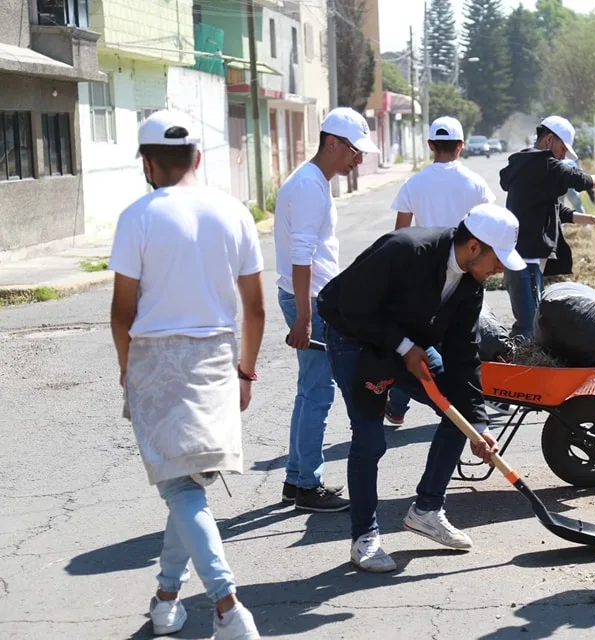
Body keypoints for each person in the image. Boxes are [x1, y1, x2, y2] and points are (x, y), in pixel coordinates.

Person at [109, 110, 266, 638]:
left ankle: (227, 606)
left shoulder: (138, 215)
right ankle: (166, 597)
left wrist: (126, 367)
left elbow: (121, 310)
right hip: (218, 356)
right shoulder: (234, 212)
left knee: (182, 487)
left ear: (149, 163)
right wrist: (246, 372)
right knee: (189, 480)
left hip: (156, 359)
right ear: (199, 157)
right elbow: (257, 308)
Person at [316, 203, 526, 572]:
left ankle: (427, 510)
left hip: (409, 339)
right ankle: (364, 537)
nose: (500, 269)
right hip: (355, 336)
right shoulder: (405, 249)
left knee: (456, 414)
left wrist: (479, 426)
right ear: (474, 246)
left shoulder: (470, 285)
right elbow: (349, 305)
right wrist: (403, 347)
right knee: (370, 439)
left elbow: (464, 356)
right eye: (498, 258)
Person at [274, 107, 378, 512]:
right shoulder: (308, 187)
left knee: (312, 390)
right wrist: (303, 316)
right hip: (310, 301)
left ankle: (298, 478)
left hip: (314, 298)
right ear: (332, 143)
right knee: (318, 392)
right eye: (355, 150)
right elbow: (302, 257)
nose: (359, 158)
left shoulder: (316, 182)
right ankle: (303, 485)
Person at [384, 115, 497, 426]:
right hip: (467, 270)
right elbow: (490, 227)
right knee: (461, 342)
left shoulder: (414, 183)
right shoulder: (475, 183)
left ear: (431, 145)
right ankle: (461, 409)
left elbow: (400, 234)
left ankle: (397, 405)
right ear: (461, 146)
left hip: (425, 276)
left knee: (417, 339)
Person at [499, 115, 595, 338]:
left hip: (527, 260)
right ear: (549, 140)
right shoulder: (542, 165)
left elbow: (557, 211)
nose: (564, 156)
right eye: (563, 148)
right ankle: (521, 370)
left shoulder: (528, 166)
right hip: (526, 261)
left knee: (533, 323)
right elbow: (580, 180)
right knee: (528, 328)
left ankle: (528, 367)